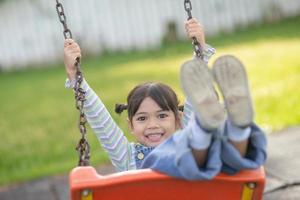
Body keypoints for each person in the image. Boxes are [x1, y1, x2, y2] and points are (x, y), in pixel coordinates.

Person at [64, 18, 267, 180]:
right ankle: (222, 131)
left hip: (193, 159)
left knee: (210, 148)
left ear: (178, 119)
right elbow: (102, 123)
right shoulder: (125, 155)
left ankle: (235, 129)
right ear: (131, 125)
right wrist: (75, 78)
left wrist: (201, 52)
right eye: (142, 118)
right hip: (191, 158)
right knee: (197, 146)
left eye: (161, 115)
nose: (153, 125)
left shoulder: (181, 133)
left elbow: (194, 100)